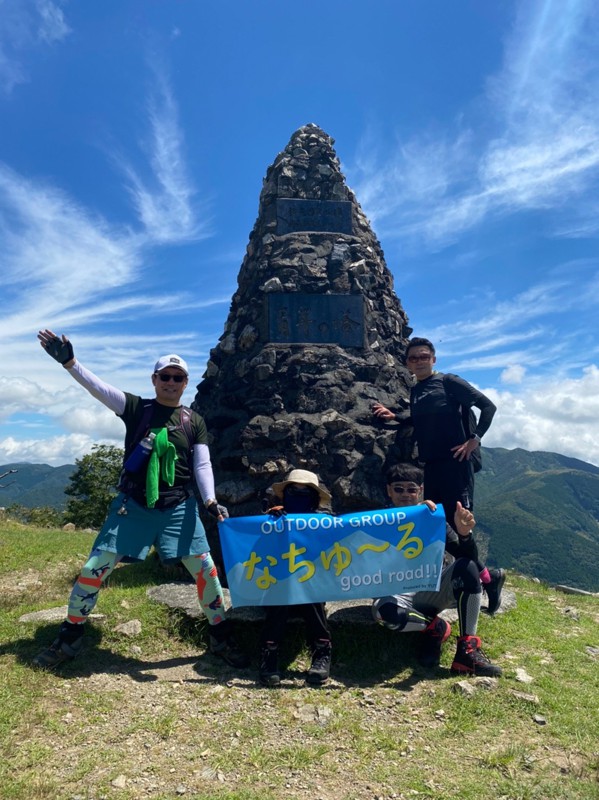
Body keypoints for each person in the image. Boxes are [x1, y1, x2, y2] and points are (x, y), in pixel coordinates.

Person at [33, 329, 248, 670]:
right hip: (132, 505)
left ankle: (220, 637)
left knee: (206, 573)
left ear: (186, 382)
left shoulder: (194, 421)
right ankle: (69, 638)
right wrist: (71, 363)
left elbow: (201, 463)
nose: (171, 382)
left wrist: (210, 501)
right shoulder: (136, 408)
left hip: (179, 507)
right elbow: (99, 389)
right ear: (154, 379)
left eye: (178, 377)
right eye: (165, 376)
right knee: (93, 571)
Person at [372, 336, 505, 614]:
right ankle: (489, 577)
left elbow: (488, 406)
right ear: (407, 363)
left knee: (460, 527)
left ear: (434, 359)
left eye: (424, 356)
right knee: (436, 527)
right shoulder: (417, 390)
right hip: (431, 465)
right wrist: (394, 416)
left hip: (457, 464)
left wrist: (474, 440)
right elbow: (420, 418)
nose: (419, 361)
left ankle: (484, 582)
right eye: (413, 358)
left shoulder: (449, 382)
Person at [372, 464, 502, 676]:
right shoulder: (375, 523)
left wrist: (464, 534)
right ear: (388, 490)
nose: (405, 494)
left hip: (430, 590)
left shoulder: (432, 519)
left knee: (467, 568)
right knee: (386, 615)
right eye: (398, 489)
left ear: (420, 490)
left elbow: (467, 559)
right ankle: (435, 627)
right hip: (394, 594)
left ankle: (467, 651)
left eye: (411, 489)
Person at [259, 469, 333, 687]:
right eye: (294, 491)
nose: (299, 496)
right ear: (284, 495)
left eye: (305, 492)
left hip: (311, 591)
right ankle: (269, 652)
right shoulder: (271, 520)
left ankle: (322, 650)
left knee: (309, 592)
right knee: (283, 590)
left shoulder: (325, 524)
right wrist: (269, 524)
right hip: (276, 590)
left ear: (315, 498)